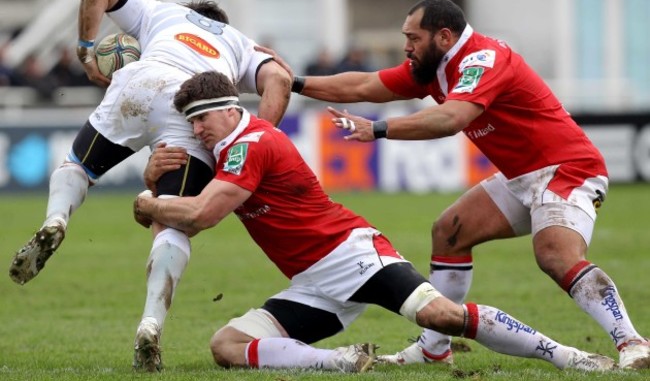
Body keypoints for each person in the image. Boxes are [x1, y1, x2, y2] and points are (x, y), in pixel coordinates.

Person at [131, 70, 617, 374]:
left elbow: (201, 215)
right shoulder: (226, 153)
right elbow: (185, 220)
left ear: (231, 109)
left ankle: (569, 356)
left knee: (441, 317)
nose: (196, 131)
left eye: (201, 119)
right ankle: (342, 361)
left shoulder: (250, 143)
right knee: (228, 346)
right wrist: (155, 188)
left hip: (353, 253)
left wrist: (147, 202)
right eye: (190, 123)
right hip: (312, 282)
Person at [281, 0, 650, 370]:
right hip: (522, 177)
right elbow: (365, 86)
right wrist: (294, 82)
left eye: (413, 37)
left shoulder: (482, 58)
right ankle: (433, 348)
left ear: (443, 36)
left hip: (567, 168)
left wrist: (378, 128)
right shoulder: (433, 66)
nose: (407, 46)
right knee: (449, 233)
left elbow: (451, 118)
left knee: (555, 255)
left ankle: (633, 342)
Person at [8, 0, 291, 371]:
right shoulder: (241, 44)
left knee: (77, 166)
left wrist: (87, 50)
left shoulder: (162, 12)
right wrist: (252, 146)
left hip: (139, 81)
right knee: (173, 224)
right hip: (192, 109)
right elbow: (278, 78)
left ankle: (56, 219)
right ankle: (150, 324)